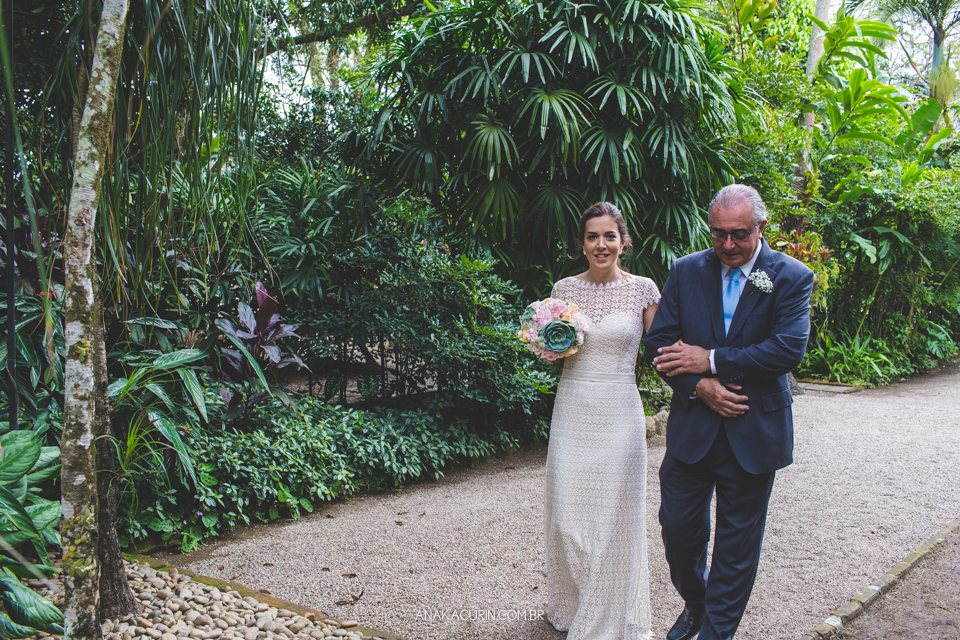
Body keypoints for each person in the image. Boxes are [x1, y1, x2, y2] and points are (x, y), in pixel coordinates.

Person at [643, 184, 814, 640]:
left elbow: (787, 349)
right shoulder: (686, 270)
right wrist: (700, 385)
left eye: (739, 234)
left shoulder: (792, 276)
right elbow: (658, 342)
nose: (728, 245)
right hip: (692, 429)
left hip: (753, 429)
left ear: (761, 227)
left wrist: (711, 360)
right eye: (718, 234)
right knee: (677, 531)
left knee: (737, 546)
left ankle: (716, 632)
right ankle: (697, 603)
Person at [544, 202, 660, 640]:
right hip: (573, 407)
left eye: (609, 235)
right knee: (567, 518)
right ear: (582, 243)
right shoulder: (564, 287)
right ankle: (577, 605)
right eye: (592, 236)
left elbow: (665, 347)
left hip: (619, 413)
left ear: (623, 241)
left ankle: (609, 617)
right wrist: (545, 345)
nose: (600, 244)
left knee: (615, 517)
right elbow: (557, 348)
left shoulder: (643, 289)